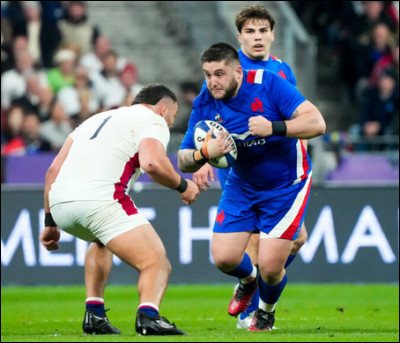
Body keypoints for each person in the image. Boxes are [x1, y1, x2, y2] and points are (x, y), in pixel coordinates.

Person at [178, 42, 326, 331]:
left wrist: (274, 127)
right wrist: (203, 154)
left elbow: (317, 123)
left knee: (272, 268)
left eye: (219, 74)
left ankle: (266, 313)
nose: (212, 82)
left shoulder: (269, 83)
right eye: (207, 74)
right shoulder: (205, 101)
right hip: (241, 186)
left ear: (237, 71)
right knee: (224, 259)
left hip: (286, 185)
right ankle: (248, 280)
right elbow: (184, 160)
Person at [39, 83, 199, 336]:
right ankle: (149, 317)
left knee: (101, 242)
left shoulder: (96, 119)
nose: (170, 123)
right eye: (173, 115)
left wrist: (50, 222)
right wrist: (183, 186)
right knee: (156, 262)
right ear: (164, 108)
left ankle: (94, 315)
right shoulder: (153, 120)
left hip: (60, 202)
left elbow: (52, 172)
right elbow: (152, 162)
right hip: (100, 200)